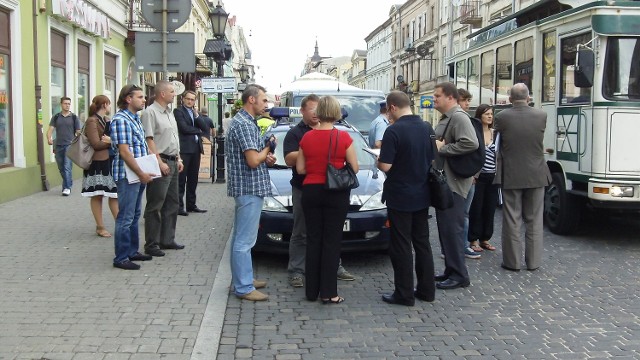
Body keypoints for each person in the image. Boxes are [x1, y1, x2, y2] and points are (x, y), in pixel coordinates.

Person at [283, 94, 355, 288]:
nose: (315, 113)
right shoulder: (297, 133)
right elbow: (290, 159)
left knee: (321, 234)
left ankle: (325, 275)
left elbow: (301, 166)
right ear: (303, 111)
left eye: (318, 109)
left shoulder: (309, 138)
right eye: (312, 109)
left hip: (317, 187)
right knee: (303, 231)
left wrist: (313, 151)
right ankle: (298, 271)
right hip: (304, 187)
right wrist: (323, 152)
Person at [377, 91, 436, 306]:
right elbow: (432, 157)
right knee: (422, 243)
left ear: (392, 107)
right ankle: (427, 290)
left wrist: (378, 160)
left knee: (401, 244)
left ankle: (404, 293)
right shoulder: (427, 128)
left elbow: (385, 165)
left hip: (400, 194)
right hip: (423, 193)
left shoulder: (393, 131)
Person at [226, 84, 276, 301]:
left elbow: (255, 157)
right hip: (249, 187)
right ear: (252, 100)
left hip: (247, 187)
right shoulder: (245, 124)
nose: (267, 104)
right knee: (244, 241)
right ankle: (244, 287)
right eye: (264, 100)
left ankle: (243, 278)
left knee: (241, 238)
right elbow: (253, 160)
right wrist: (268, 148)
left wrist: (265, 156)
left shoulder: (245, 121)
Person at [494, 83, 551, 271]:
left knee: (512, 219)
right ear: (529, 98)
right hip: (537, 173)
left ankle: (513, 262)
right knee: (534, 219)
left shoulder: (502, 117)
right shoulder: (541, 115)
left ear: (510, 99)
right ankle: (533, 262)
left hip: (511, 173)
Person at [433, 82, 478, 290]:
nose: (434, 99)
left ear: (450, 98)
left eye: (437, 96)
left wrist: (443, 149)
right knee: (446, 229)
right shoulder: (448, 117)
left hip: (455, 183)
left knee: (453, 229)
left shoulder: (459, 117)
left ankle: (460, 275)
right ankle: (451, 270)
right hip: (447, 182)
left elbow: (471, 143)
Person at [110, 84, 156, 270]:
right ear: (128, 99)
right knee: (126, 216)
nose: (144, 100)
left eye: (144, 97)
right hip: (127, 174)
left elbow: (141, 147)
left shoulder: (135, 118)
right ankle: (121, 257)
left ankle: (132, 251)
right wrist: (141, 173)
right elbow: (125, 152)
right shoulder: (121, 119)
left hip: (138, 173)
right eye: (140, 97)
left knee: (135, 214)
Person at [141, 80, 185, 258]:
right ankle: (151, 244)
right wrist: (159, 162)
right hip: (161, 162)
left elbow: (174, 137)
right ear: (162, 94)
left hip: (173, 161)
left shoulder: (169, 113)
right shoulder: (150, 112)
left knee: (172, 203)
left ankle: (167, 239)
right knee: (155, 204)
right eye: (172, 92)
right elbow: (149, 139)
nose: (175, 95)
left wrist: (179, 158)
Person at [81, 95, 118, 238]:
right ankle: (100, 226)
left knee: (113, 193)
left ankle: (119, 223)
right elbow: (96, 144)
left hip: (109, 160)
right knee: (98, 194)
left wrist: (110, 140)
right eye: (109, 104)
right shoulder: (92, 121)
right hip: (97, 162)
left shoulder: (106, 120)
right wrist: (112, 141)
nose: (110, 107)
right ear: (104, 104)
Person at [468, 104, 499, 253]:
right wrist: (473, 174)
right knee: (476, 208)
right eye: (486, 114)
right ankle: (473, 239)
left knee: (490, 208)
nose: (489, 117)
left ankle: (485, 238)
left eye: (491, 114)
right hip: (478, 176)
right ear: (480, 116)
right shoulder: (475, 133)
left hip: (493, 175)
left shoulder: (496, 133)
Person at [457, 88, 482, 260]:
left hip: (470, 175)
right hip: (462, 176)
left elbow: (479, 151)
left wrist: (475, 173)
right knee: (460, 214)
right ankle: (460, 246)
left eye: (468, 100)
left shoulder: (471, 122)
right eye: (464, 100)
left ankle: (463, 244)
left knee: (464, 213)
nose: (467, 104)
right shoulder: (458, 121)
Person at [175, 91, 207, 216]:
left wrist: (197, 116)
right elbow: (184, 128)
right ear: (183, 99)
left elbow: (204, 127)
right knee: (181, 179)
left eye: (192, 99)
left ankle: (191, 205)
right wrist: (197, 131)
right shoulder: (178, 111)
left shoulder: (195, 113)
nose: (190, 101)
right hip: (185, 149)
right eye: (188, 99)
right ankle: (179, 207)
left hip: (196, 149)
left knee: (193, 179)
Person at [47, 97, 81, 196]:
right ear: (61, 104)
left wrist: (79, 139)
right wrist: (49, 138)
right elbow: (50, 130)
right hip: (58, 145)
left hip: (69, 145)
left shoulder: (74, 117)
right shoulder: (56, 117)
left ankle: (66, 187)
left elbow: (78, 132)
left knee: (67, 167)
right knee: (61, 167)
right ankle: (68, 182)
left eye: (69, 104)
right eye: (65, 103)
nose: (67, 105)